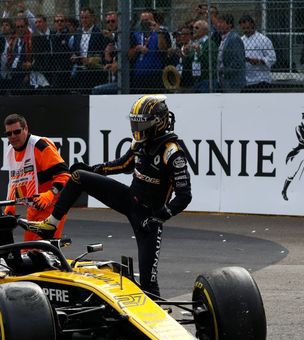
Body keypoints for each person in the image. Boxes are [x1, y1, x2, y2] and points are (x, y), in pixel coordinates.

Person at [28, 95, 192, 297]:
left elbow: (184, 196)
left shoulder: (173, 153)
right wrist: (93, 169)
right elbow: (123, 164)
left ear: (157, 123)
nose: (137, 128)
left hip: (148, 218)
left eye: (141, 123)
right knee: (79, 177)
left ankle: (155, 322)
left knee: (149, 285)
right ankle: (51, 223)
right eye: (135, 123)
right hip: (129, 199)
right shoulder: (141, 143)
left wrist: (159, 217)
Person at [3, 113, 70, 242]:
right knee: (26, 252)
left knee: (40, 252)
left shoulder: (40, 146)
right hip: (33, 208)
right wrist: (10, 206)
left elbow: (65, 175)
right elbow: (14, 181)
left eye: (17, 132)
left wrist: (50, 194)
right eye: (9, 134)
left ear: (26, 129)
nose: (13, 137)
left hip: (52, 207)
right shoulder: (10, 151)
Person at [239, 14, 276, 92]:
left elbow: (272, 58)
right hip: (246, 81)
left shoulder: (263, 39)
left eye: (247, 28)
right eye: (243, 28)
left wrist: (259, 61)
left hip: (261, 80)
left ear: (252, 25)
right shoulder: (240, 40)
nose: (246, 30)